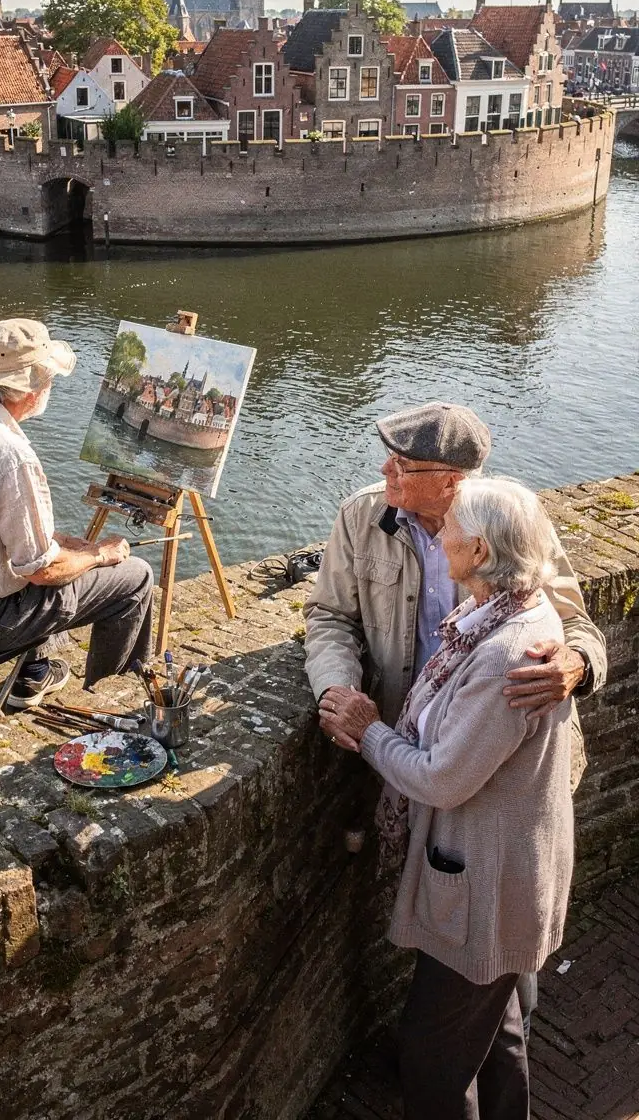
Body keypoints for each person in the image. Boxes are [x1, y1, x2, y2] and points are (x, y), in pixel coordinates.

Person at [304, 402, 606, 1033]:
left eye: (402, 464)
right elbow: (330, 616)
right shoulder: (363, 516)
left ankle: (473, 1047)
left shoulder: (510, 520)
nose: (385, 470)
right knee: (454, 920)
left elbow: (575, 622)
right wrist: (339, 691)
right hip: (417, 755)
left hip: (500, 771)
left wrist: (577, 663)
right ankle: (484, 1047)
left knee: (499, 935)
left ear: (451, 481)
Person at [318, 477, 575, 1119]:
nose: (441, 535)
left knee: (432, 1053)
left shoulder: (507, 655)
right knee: (494, 1027)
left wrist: (369, 731)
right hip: (500, 870)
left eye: (452, 526)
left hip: (489, 883)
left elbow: (440, 779)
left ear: (480, 550)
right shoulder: (495, 614)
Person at [0, 318, 154, 708]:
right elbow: (42, 572)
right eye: (49, 379)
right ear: (32, 389)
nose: (51, 386)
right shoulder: (9, 454)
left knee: (54, 552)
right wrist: (99, 555)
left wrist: (63, 545)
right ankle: (110, 694)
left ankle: (33, 674)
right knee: (135, 576)